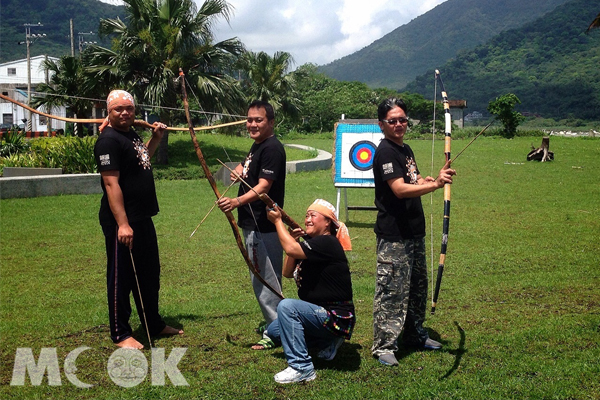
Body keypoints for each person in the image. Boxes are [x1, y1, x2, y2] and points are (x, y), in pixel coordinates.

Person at [94, 89, 183, 349]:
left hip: (143, 218)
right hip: (123, 222)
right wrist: (123, 224)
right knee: (121, 278)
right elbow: (111, 184)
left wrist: (155, 139)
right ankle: (121, 333)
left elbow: (140, 159)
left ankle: (152, 323)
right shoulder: (107, 141)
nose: (124, 113)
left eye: (128, 108)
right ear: (108, 113)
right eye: (118, 109)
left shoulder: (128, 133)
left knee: (148, 274)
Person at [372, 97, 456, 366]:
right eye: (392, 121)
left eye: (402, 120)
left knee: (417, 288)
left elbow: (413, 179)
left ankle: (415, 335)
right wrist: (434, 187)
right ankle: (384, 345)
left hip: (414, 232)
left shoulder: (405, 149)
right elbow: (398, 189)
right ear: (382, 125)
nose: (399, 124)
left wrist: (430, 178)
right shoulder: (385, 151)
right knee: (392, 291)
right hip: (393, 234)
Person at [262, 199, 354, 384]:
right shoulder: (313, 245)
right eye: (306, 216)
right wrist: (294, 240)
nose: (307, 220)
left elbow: (289, 248)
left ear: (327, 222)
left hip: (335, 317)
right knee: (274, 331)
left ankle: (302, 367)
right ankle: (326, 342)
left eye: (313, 215)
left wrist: (278, 221)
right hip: (317, 314)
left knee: (287, 307)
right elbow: (287, 273)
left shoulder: (328, 243)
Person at [217, 100, 286, 338]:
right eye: (249, 120)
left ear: (271, 122)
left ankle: (277, 331)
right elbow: (250, 169)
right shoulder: (258, 146)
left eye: (259, 120)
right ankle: (275, 324)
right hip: (253, 222)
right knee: (262, 275)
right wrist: (239, 170)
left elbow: (264, 186)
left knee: (265, 278)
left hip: (263, 223)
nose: (253, 124)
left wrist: (235, 202)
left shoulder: (272, 148)